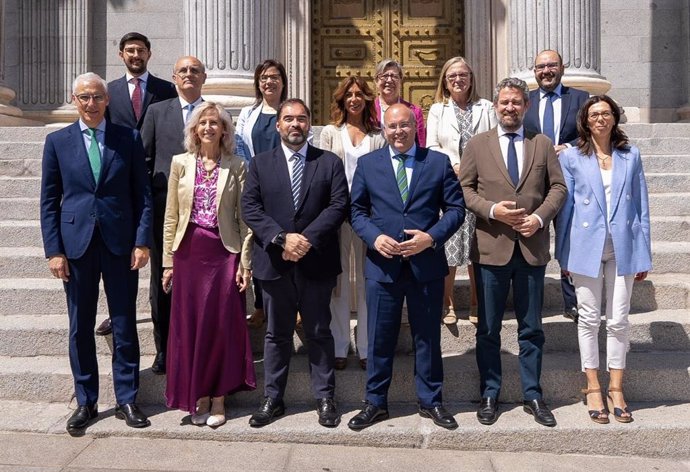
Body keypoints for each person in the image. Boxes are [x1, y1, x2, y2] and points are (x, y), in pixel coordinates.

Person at [40, 72, 153, 434]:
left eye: (97, 97)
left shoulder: (128, 138)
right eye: (84, 97)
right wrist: (54, 251)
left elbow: (144, 196)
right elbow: (48, 202)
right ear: (74, 100)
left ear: (107, 100)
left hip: (120, 244)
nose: (91, 104)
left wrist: (142, 241)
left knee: (123, 324)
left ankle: (127, 398)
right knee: (80, 326)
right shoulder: (57, 141)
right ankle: (86, 400)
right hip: (76, 247)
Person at [348, 103, 464, 431]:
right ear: (383, 130)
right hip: (382, 267)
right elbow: (357, 211)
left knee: (427, 337)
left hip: (425, 266)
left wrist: (432, 237)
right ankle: (375, 402)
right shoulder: (369, 165)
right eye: (392, 126)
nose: (398, 132)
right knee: (379, 338)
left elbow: (456, 209)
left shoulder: (437, 163)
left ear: (416, 127)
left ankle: (431, 401)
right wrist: (374, 238)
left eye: (404, 125)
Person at [459, 77, 567, 428]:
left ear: (526, 106)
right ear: (495, 106)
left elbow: (558, 187)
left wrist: (538, 218)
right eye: (504, 102)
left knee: (531, 327)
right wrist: (493, 211)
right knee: (488, 328)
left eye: (516, 102)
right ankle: (490, 392)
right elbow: (465, 190)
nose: (510, 108)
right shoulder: (478, 144)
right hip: (491, 249)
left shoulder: (542, 143)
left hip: (531, 249)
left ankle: (532, 394)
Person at [241, 98, 348, 428]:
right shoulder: (260, 164)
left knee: (318, 331)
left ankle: (325, 397)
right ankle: (273, 397)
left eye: (301, 119)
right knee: (277, 334)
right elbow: (251, 208)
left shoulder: (328, 163)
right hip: (275, 263)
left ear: (309, 125)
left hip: (316, 262)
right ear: (278, 125)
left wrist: (305, 239)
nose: (295, 125)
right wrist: (282, 239)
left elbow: (338, 205)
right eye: (288, 119)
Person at [555, 94, 652, 424]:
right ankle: (593, 386)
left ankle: (617, 388)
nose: (600, 119)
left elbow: (641, 207)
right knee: (588, 318)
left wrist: (643, 253)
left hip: (623, 247)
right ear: (585, 120)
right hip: (585, 246)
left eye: (606, 113)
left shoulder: (630, 155)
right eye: (594, 114)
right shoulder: (572, 157)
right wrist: (564, 254)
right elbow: (565, 210)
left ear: (614, 118)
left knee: (619, 319)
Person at [162, 102, 256, 427]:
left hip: (223, 251)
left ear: (224, 130)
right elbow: (171, 215)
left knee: (220, 324)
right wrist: (167, 263)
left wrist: (245, 264)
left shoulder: (238, 165)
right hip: (187, 254)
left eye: (214, 123)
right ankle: (198, 391)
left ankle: (219, 397)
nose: (208, 128)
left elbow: (245, 220)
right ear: (194, 129)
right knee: (191, 326)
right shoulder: (180, 164)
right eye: (203, 123)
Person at [96, 32, 177, 337]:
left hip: (155, 182)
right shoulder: (108, 92)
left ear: (149, 54)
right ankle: (117, 315)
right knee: (116, 256)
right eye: (130, 50)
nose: (135, 55)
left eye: (140, 50)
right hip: (118, 181)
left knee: (158, 259)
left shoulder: (166, 89)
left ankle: (163, 324)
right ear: (121, 55)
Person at [141, 56, 207, 375]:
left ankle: (197, 346)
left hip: (206, 214)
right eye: (183, 70)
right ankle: (164, 348)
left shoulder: (214, 114)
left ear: (204, 77)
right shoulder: (156, 112)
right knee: (163, 281)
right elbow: (144, 159)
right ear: (174, 77)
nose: (189, 75)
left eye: (195, 70)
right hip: (164, 212)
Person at [320, 76, 386, 372]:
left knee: (368, 281)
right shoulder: (330, 133)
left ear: (367, 99)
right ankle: (339, 345)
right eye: (349, 94)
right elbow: (323, 176)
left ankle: (366, 347)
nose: (355, 99)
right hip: (337, 216)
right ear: (341, 100)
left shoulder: (378, 135)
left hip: (369, 218)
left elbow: (383, 179)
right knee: (339, 283)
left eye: (360, 94)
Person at [427, 56, 497, 325]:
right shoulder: (437, 110)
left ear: (471, 78)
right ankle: (449, 303)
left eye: (463, 74)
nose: (458, 79)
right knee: (451, 243)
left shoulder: (486, 107)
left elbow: (493, 141)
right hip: (450, 183)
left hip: (480, 184)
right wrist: (454, 164)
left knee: (477, 244)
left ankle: (476, 303)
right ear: (445, 80)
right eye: (452, 75)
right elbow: (431, 145)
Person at [523, 49, 589, 323]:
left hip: (568, 182)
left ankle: (572, 302)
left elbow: (590, 134)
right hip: (533, 184)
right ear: (534, 70)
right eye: (540, 67)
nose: (546, 71)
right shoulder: (525, 101)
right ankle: (530, 304)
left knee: (568, 242)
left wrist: (570, 147)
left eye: (551, 65)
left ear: (562, 67)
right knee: (530, 243)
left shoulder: (580, 98)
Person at [235, 59, 287, 329]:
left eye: (274, 76)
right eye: (264, 77)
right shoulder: (247, 113)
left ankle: (296, 305)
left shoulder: (291, 110)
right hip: (257, 186)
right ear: (258, 82)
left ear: (283, 81)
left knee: (287, 239)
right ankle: (260, 306)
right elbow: (240, 147)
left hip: (287, 188)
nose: (269, 81)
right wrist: (254, 178)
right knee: (258, 245)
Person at [373, 59, 426, 147]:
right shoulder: (367, 110)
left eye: (394, 76)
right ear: (376, 81)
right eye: (384, 76)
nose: (389, 80)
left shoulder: (414, 111)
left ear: (401, 80)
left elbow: (421, 145)